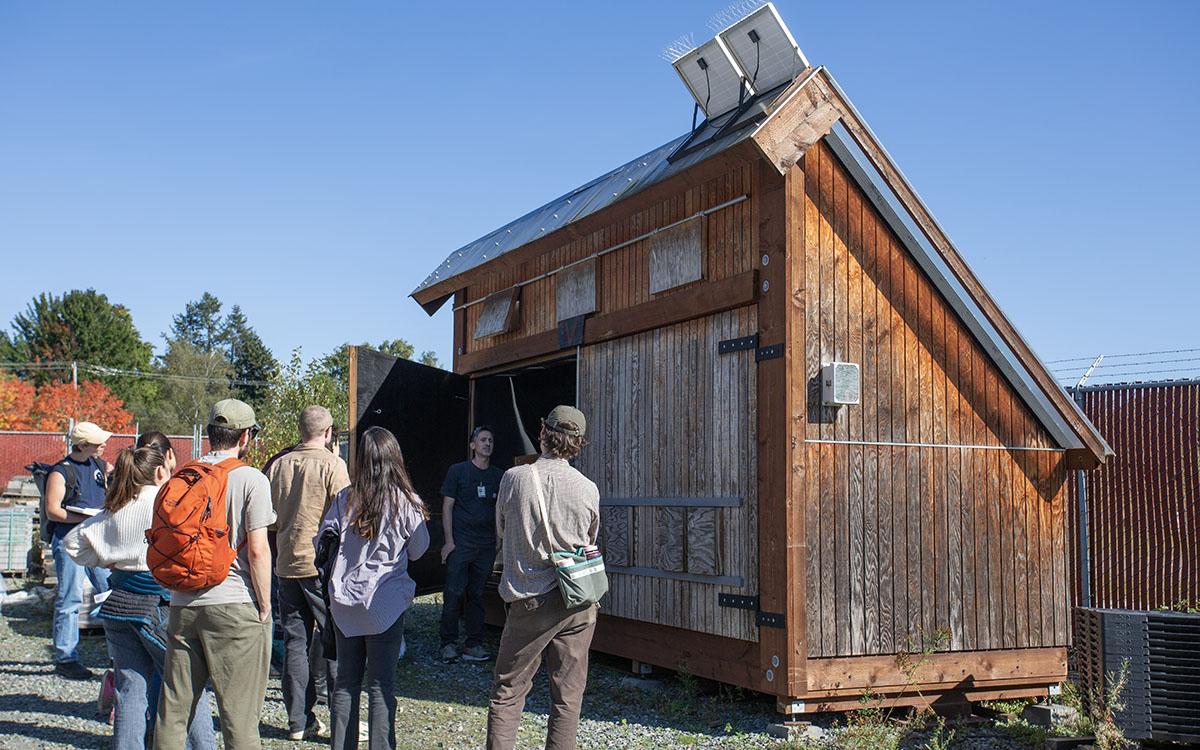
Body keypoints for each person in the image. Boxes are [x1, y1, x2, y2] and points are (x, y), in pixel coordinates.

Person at [62, 445, 216, 750]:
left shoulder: (116, 508)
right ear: (160, 471)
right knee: (185, 685)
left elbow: (72, 543)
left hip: (118, 604)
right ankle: (203, 746)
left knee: (130, 690)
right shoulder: (167, 505)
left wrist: (107, 558)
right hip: (157, 603)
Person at [153, 399, 276, 750]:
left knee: (173, 711)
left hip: (182, 602)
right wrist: (264, 605)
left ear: (210, 434)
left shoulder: (183, 476)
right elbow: (257, 549)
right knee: (239, 717)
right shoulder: (251, 478)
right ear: (246, 437)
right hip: (234, 603)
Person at [486, 406, 600, 750]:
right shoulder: (588, 488)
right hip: (578, 603)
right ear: (578, 444)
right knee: (567, 699)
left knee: (507, 693)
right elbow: (590, 541)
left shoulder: (514, 478)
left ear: (541, 432)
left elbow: (502, 532)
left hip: (529, 600)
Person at [317, 426, 429, 750]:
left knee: (346, 684)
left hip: (344, 605)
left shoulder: (343, 499)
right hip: (385, 605)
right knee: (381, 688)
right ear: (395, 459)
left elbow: (321, 545)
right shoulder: (407, 502)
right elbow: (420, 549)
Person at [265, 405, 350, 741]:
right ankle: (340, 722)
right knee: (333, 641)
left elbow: (268, 519)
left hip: (286, 562)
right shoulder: (333, 465)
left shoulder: (279, 465)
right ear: (328, 432)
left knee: (295, 642)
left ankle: (298, 721)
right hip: (321, 566)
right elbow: (346, 518)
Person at [44, 420, 114, 680]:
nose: (104, 445)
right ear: (83, 445)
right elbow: (53, 510)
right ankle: (66, 658)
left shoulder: (99, 466)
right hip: (70, 542)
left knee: (110, 592)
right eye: (99, 442)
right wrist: (84, 518)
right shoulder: (60, 472)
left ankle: (116, 652)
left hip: (96, 541)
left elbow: (117, 476)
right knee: (70, 598)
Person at [439, 425, 503, 663]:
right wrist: (448, 541)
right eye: (483, 440)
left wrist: (499, 539)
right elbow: (447, 506)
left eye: (491, 440)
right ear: (473, 445)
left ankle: (473, 644)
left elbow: (500, 510)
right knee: (453, 593)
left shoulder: (498, 475)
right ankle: (448, 644)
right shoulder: (458, 472)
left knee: (477, 594)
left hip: (485, 545)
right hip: (461, 543)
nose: (487, 444)